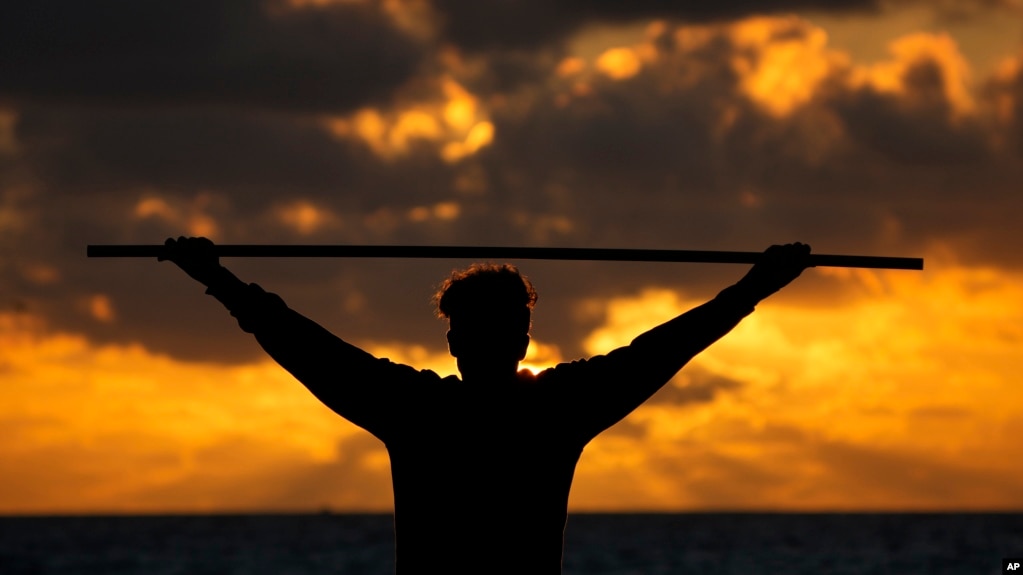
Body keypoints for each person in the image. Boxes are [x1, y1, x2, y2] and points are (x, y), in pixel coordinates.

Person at [160, 237, 810, 574]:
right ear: (523, 340)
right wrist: (755, 285)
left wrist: (216, 278)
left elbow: (304, 345)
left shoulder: (416, 407)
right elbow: (665, 347)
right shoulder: (557, 406)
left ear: (452, 342)